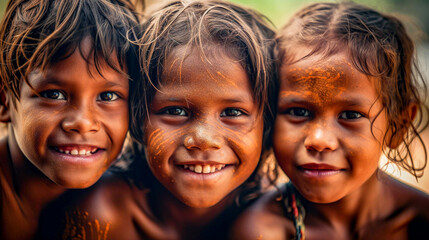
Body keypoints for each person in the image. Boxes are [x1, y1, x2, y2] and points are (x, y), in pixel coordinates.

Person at [46, 0, 278, 239]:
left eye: (232, 113)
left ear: (267, 125)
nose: (203, 139)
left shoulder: (277, 222)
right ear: (137, 121)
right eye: (175, 111)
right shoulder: (101, 214)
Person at [231, 2, 429, 239]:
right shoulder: (261, 231)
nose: (319, 140)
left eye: (350, 115)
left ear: (397, 126)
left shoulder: (420, 219)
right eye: (299, 112)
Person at [0, 0, 139, 239]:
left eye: (108, 96)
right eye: (53, 95)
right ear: (4, 102)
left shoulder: (115, 199)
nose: (83, 122)